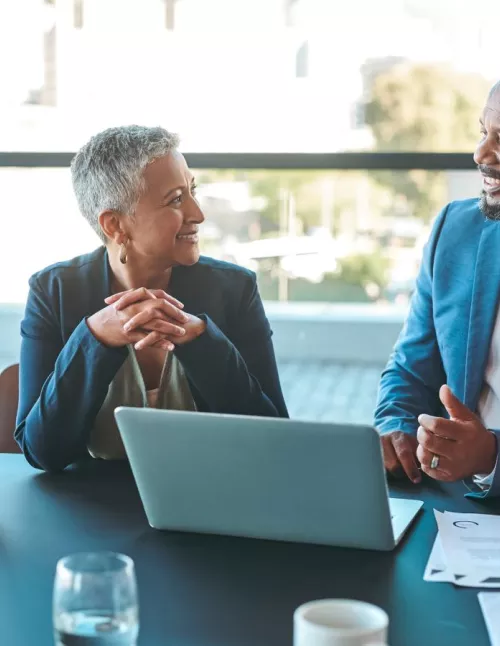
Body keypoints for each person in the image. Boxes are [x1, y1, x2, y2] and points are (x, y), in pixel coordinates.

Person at [15, 125, 288, 472]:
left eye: (193, 191)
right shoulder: (52, 291)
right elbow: (42, 453)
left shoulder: (235, 290)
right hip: (92, 512)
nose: (198, 213)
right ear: (115, 226)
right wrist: (93, 339)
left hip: (215, 498)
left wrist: (202, 340)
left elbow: (275, 435)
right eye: (176, 199)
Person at [374, 82, 500, 499]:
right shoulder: (456, 230)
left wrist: (491, 455)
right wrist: (395, 423)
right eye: (483, 132)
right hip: (453, 500)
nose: (482, 154)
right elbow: (411, 366)